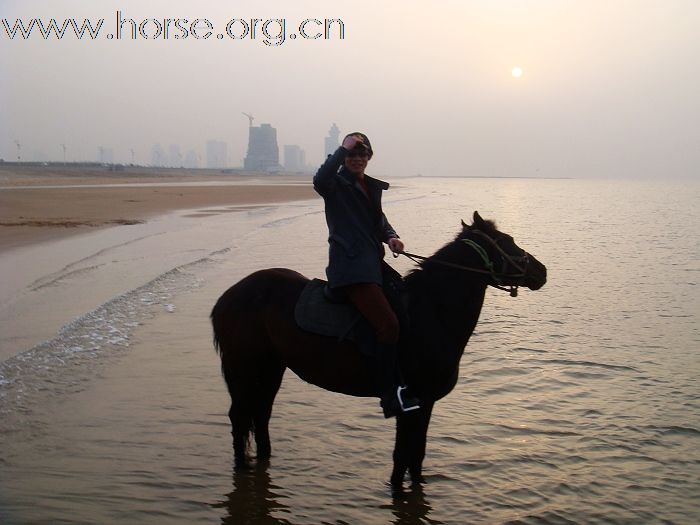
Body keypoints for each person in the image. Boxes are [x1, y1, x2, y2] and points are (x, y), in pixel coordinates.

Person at [313, 132, 420, 418]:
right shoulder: (334, 184)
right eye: (352, 155)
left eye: (362, 155)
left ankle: (403, 379)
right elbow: (319, 179)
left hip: (372, 263)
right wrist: (341, 147)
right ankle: (389, 395)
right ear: (344, 158)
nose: (357, 159)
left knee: (404, 307)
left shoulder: (369, 187)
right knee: (389, 326)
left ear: (368, 159)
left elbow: (379, 221)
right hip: (349, 267)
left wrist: (392, 237)